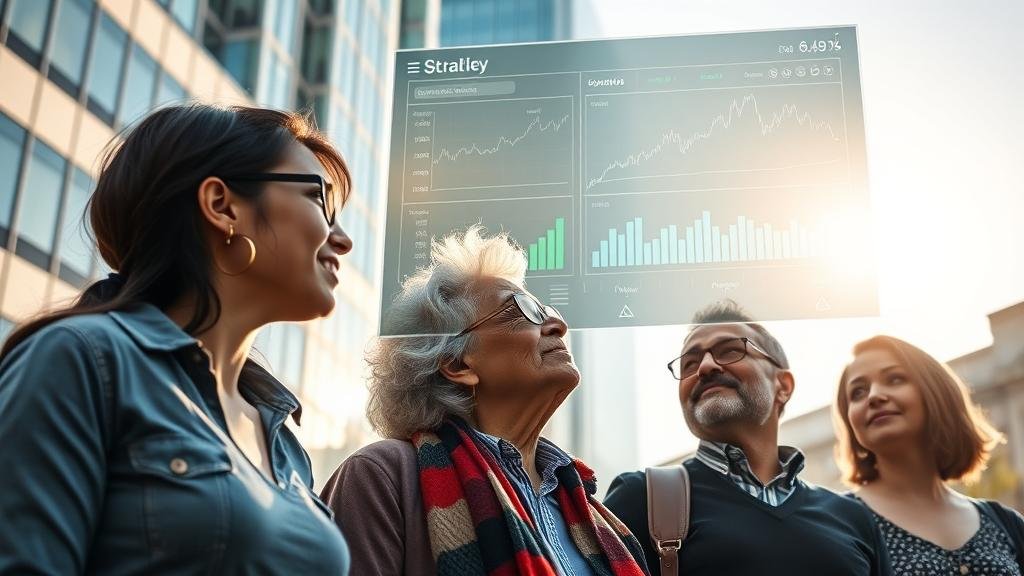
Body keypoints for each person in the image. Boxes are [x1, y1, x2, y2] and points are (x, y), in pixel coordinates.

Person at [0, 104, 354, 574]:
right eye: (318, 200)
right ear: (222, 206)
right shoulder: (80, 360)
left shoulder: (286, 442)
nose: (343, 238)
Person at [321, 226, 648, 576]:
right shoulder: (383, 476)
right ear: (459, 364)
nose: (557, 324)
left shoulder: (599, 517)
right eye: (522, 310)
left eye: (546, 309)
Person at [604, 300, 891, 576]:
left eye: (729, 351)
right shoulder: (642, 497)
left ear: (783, 385)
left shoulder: (854, 518)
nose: (704, 367)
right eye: (689, 364)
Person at [835, 335, 1024, 575]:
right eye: (858, 392)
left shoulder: (1006, 523)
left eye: (895, 379)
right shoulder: (839, 522)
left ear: (935, 392)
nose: (873, 396)